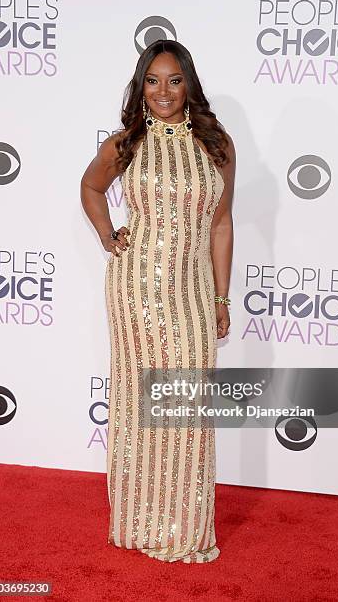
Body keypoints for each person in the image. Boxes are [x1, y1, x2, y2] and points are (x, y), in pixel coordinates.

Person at [80, 39, 235, 563]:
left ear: (188, 83)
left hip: (190, 294)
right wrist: (108, 236)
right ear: (140, 86)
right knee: (140, 409)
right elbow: (91, 187)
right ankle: (139, 522)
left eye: (173, 80)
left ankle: (185, 527)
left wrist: (220, 295)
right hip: (135, 290)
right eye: (152, 80)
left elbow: (221, 224)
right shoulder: (127, 143)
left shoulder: (218, 145)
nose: (163, 92)